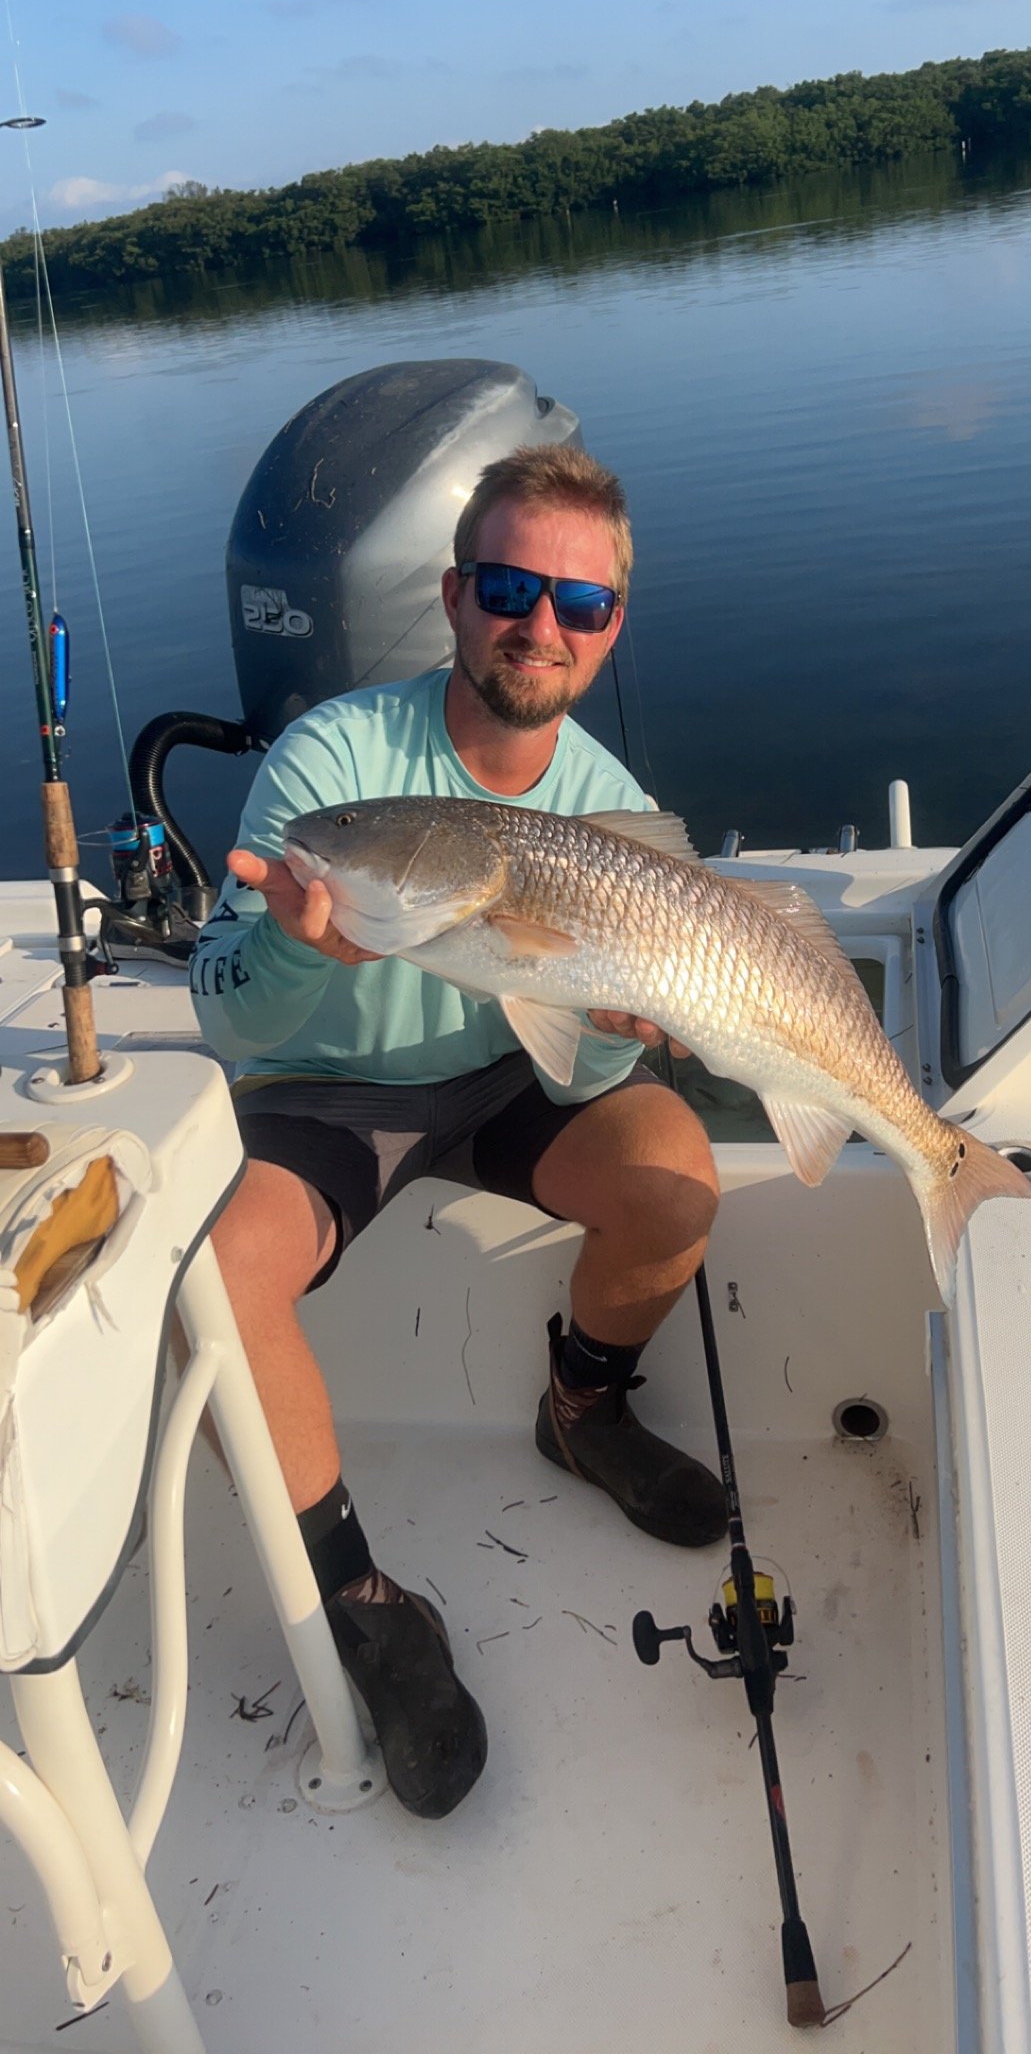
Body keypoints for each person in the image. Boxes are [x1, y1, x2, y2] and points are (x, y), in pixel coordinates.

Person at [190, 444, 725, 1822]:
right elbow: (229, 1013)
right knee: (217, 1279)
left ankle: (582, 1410)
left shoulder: (611, 809)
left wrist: (621, 1023)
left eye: (578, 602)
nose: (537, 625)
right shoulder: (337, 768)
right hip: (330, 1089)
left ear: (610, 627)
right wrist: (310, 954)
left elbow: (582, 1040)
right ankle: (366, 1602)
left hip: (503, 1072)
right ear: (452, 594)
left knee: (674, 1175)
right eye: (507, 584)